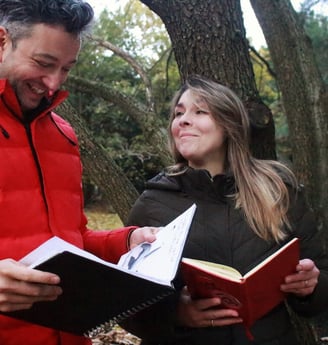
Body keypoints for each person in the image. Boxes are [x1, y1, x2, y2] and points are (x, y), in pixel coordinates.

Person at [121, 75, 328, 345]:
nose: (182, 120)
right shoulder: (152, 203)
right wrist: (176, 314)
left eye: (200, 111)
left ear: (229, 125)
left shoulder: (278, 191)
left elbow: (322, 277)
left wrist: (311, 285)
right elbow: (124, 302)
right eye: (178, 113)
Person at [0, 1, 157, 344]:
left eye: (67, 69)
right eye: (43, 63)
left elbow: (73, 239)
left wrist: (126, 241)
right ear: (2, 42)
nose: (54, 83)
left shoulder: (64, 135)